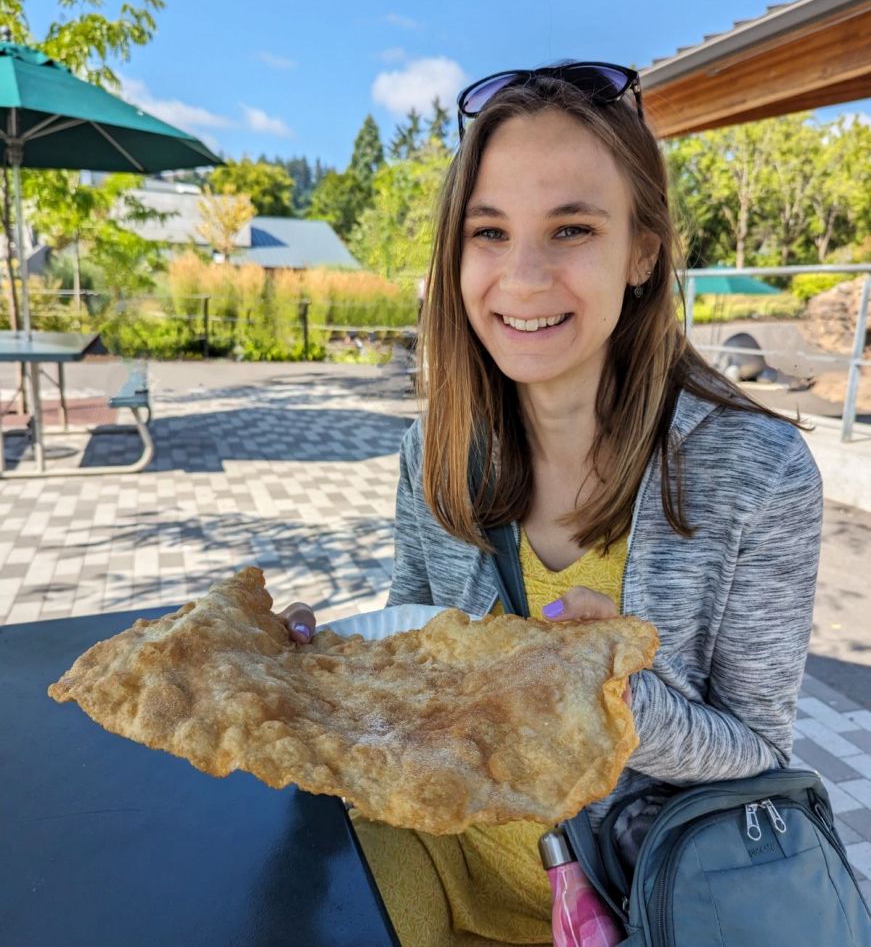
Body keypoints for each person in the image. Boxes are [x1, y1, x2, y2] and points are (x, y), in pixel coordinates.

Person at [279, 61, 823, 946]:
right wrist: (320, 667)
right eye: (488, 232)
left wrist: (615, 698)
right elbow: (409, 640)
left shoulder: (759, 472)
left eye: (570, 227)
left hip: (639, 897)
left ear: (641, 249)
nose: (521, 276)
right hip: (431, 851)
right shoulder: (435, 452)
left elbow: (757, 752)